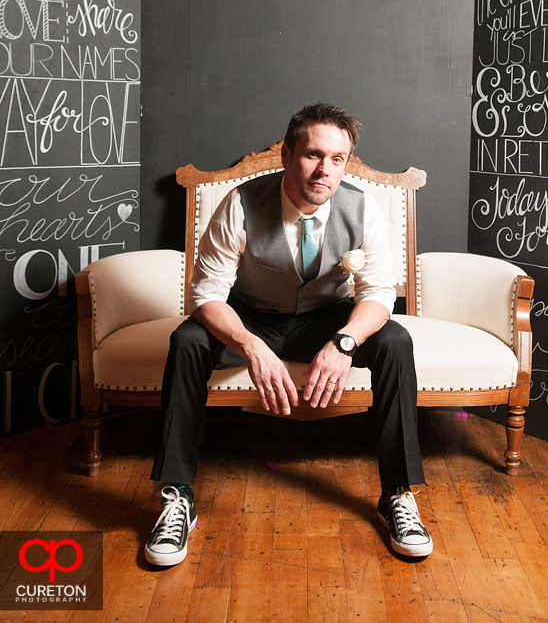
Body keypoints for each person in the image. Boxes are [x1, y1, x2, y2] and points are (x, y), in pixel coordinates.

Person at [146, 102, 432, 565]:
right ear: (285, 154)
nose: (324, 170)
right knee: (188, 341)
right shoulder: (238, 203)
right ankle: (177, 496)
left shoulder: (363, 208)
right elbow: (205, 295)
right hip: (250, 316)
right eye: (312, 155)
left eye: (337, 159)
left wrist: (345, 342)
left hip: (326, 317)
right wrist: (249, 345)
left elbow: (378, 293)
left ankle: (398, 494)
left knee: (396, 341)